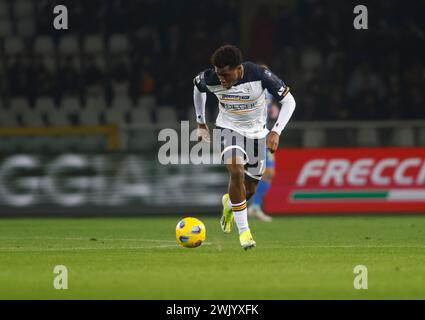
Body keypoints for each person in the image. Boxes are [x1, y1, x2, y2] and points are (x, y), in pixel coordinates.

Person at [193, 45, 296, 250]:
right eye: (218, 73)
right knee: (236, 171)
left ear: (239, 68)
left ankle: (229, 205)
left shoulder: (259, 74)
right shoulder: (210, 78)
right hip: (228, 129)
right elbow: (197, 88)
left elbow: (289, 102)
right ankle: (244, 232)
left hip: (257, 134)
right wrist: (201, 122)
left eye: (225, 74)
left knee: (249, 189)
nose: (221, 79)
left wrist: (276, 131)